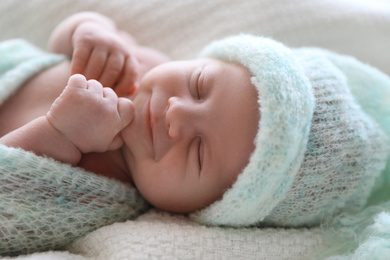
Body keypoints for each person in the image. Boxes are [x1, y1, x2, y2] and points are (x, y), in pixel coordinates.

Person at [1, 11, 390, 232]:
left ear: (206, 210)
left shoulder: (102, 194)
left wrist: (58, 134)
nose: (177, 114)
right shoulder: (141, 65)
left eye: (199, 152)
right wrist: (91, 33)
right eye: (199, 84)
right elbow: (61, 41)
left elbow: (9, 196)